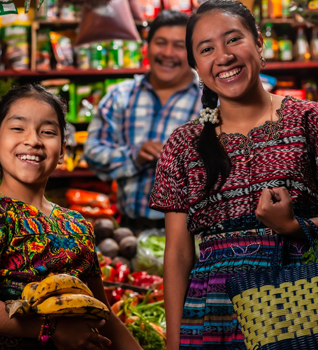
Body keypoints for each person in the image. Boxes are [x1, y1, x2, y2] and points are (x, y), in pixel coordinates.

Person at [149, 1, 318, 349]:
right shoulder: (183, 145)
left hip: (296, 306)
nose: (223, 56)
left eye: (233, 40)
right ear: (196, 67)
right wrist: (173, 343)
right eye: (207, 49)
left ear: (258, 44)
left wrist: (293, 227)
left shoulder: (309, 121)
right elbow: (179, 254)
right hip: (211, 317)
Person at [0, 84, 142, 350]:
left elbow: (103, 312)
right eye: (18, 128)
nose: (33, 140)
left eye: (47, 132)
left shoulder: (78, 226)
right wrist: (50, 329)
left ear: (62, 151)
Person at [84, 10, 202, 233]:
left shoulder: (210, 102)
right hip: (130, 231)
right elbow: (92, 153)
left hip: (193, 236)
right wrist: (134, 156)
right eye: (160, 43)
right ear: (146, 47)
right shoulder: (120, 96)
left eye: (179, 45)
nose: (168, 53)